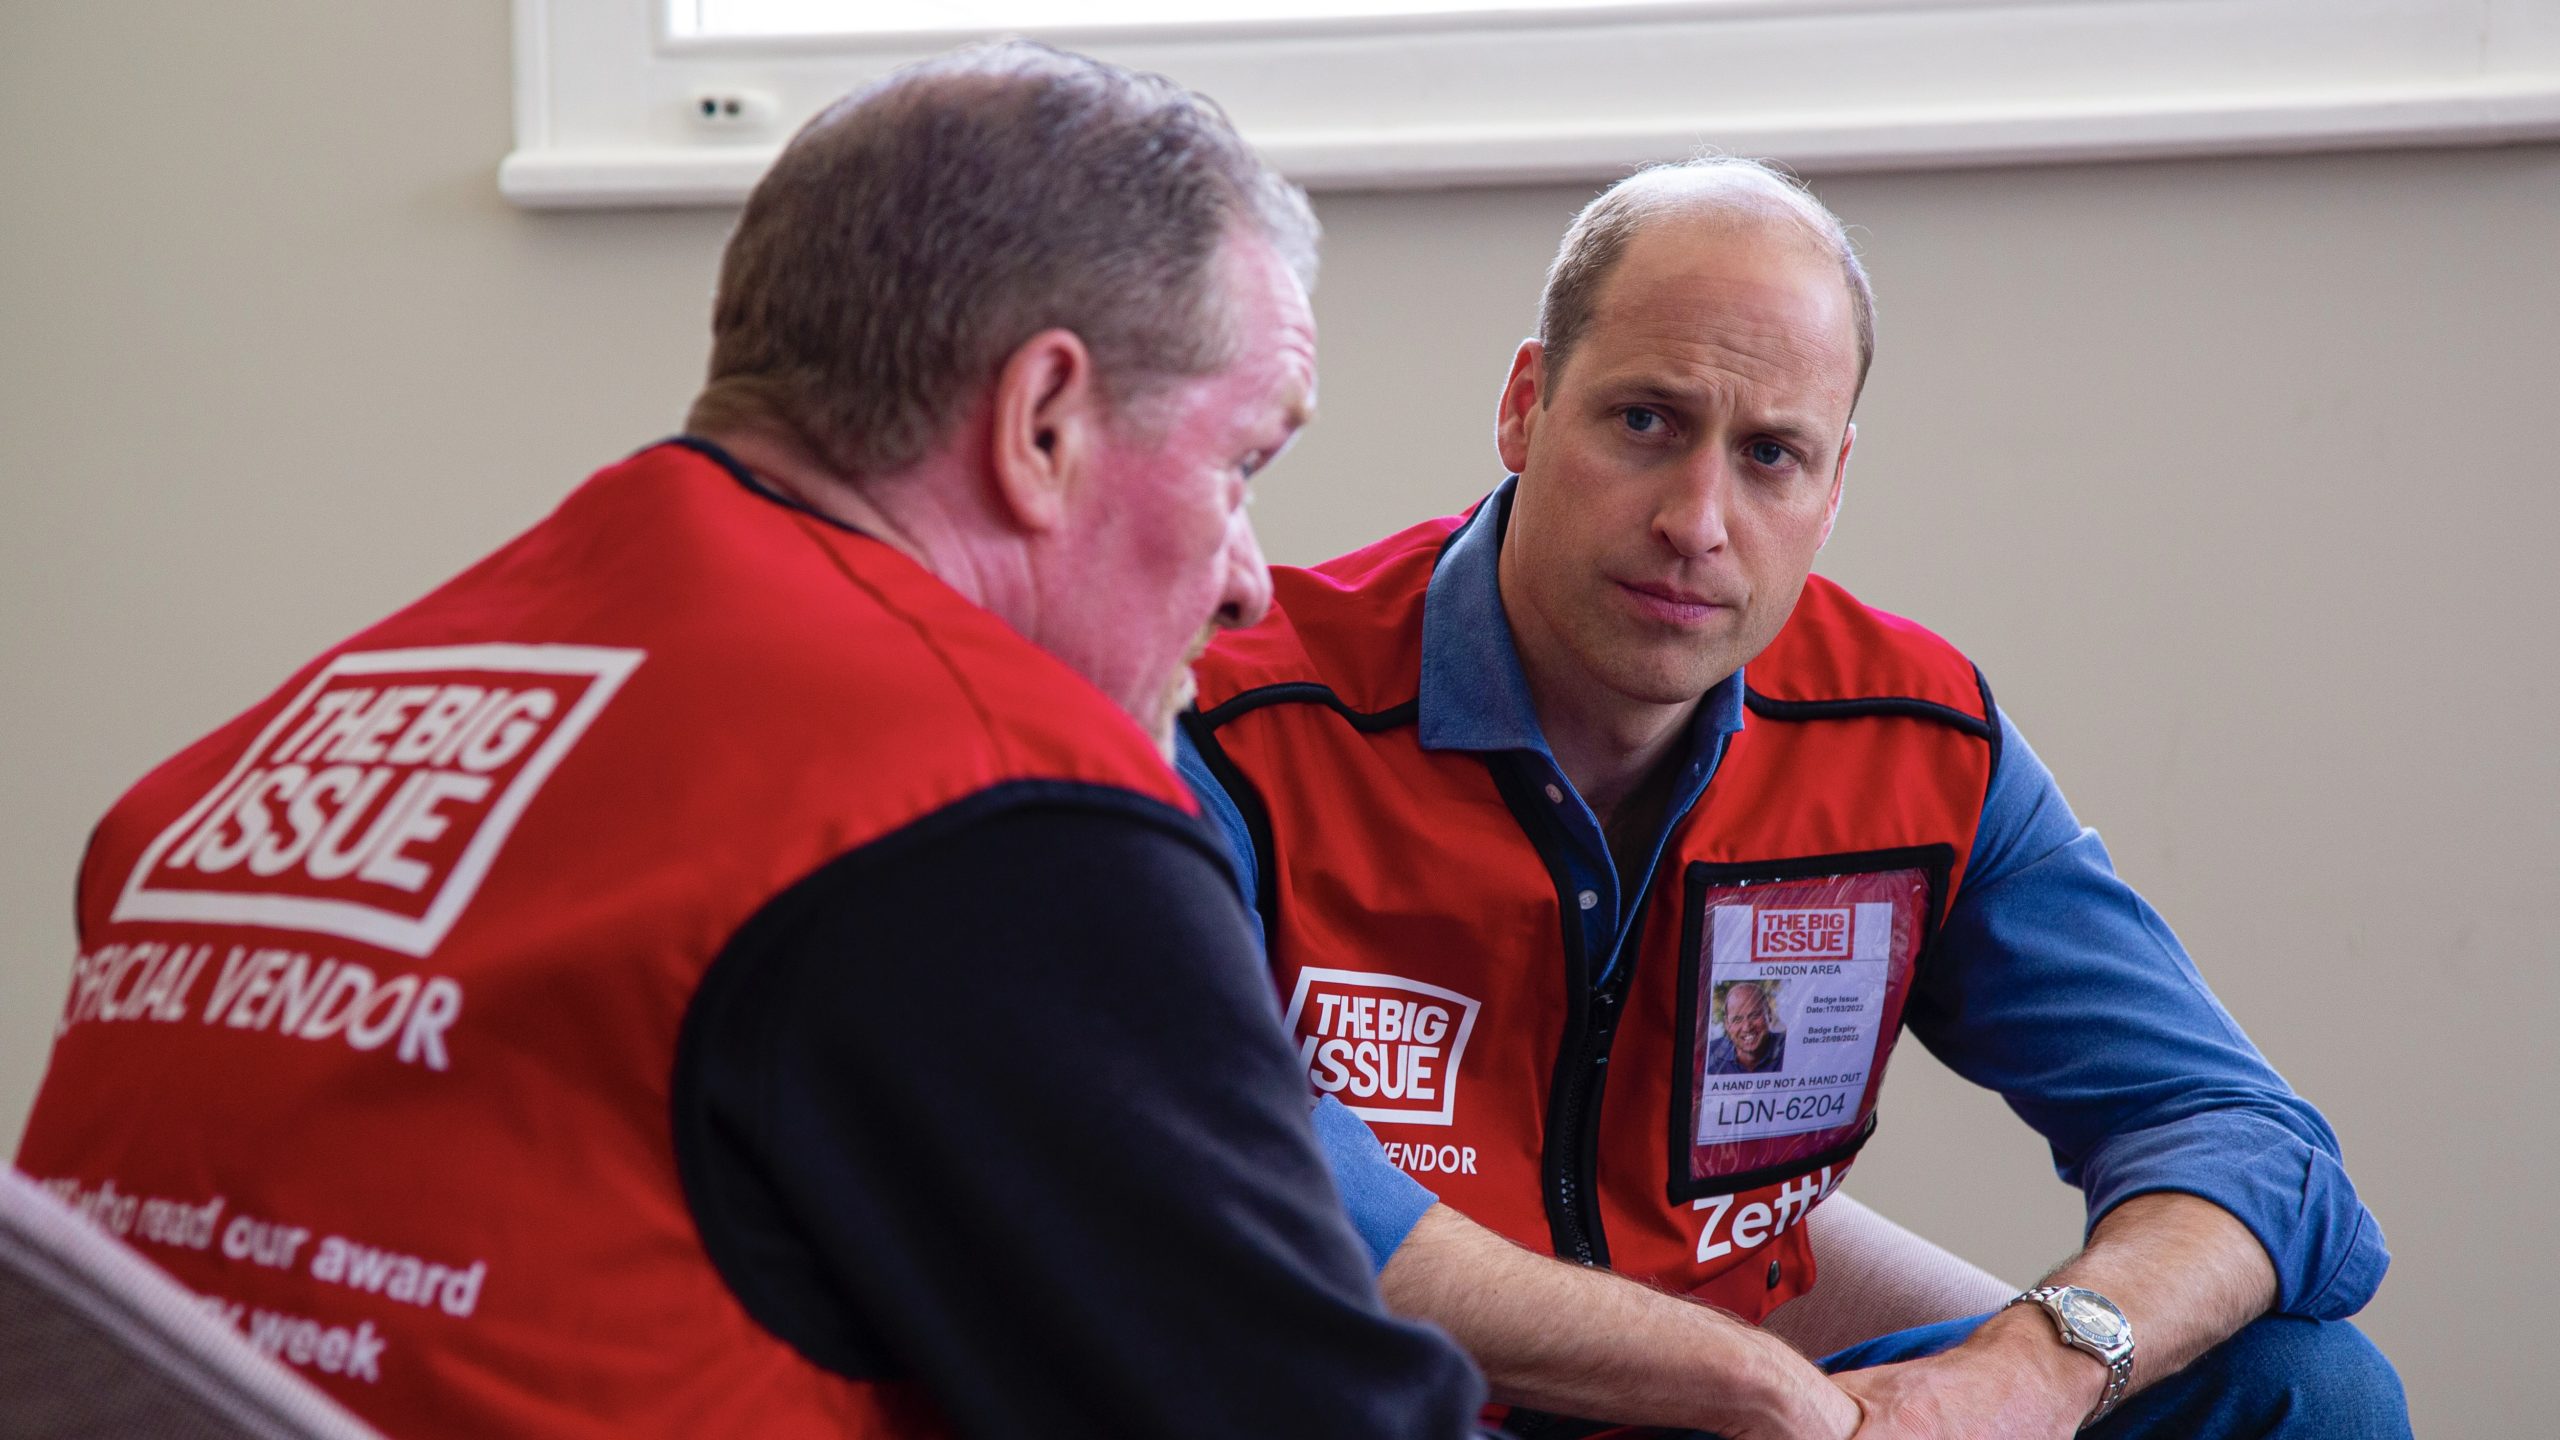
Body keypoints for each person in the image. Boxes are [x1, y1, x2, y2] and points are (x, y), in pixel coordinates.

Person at [14, 43, 1488, 1439]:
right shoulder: (992, 812)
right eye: (1243, 463)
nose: (1245, 576)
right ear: (1042, 418)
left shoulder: (258, 761)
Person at [1179, 157, 2409, 1437]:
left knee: (2304, 1390)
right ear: (1526, 406)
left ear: (1833, 489)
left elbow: (2244, 1141)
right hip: (1372, 1403)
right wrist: (1752, 1383)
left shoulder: (1912, 741)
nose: (1697, 520)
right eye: (1646, 421)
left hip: (1755, 1421)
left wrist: (2025, 1374)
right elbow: (1215, 1156)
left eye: (1771, 454)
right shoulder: (1233, 714)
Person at [1706, 980, 1783, 1075]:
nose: (1747, 1027)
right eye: (1737, 1019)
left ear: (1769, 1015)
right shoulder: (1709, 1054)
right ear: (1727, 1024)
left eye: (1754, 1016)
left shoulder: (1788, 1047)